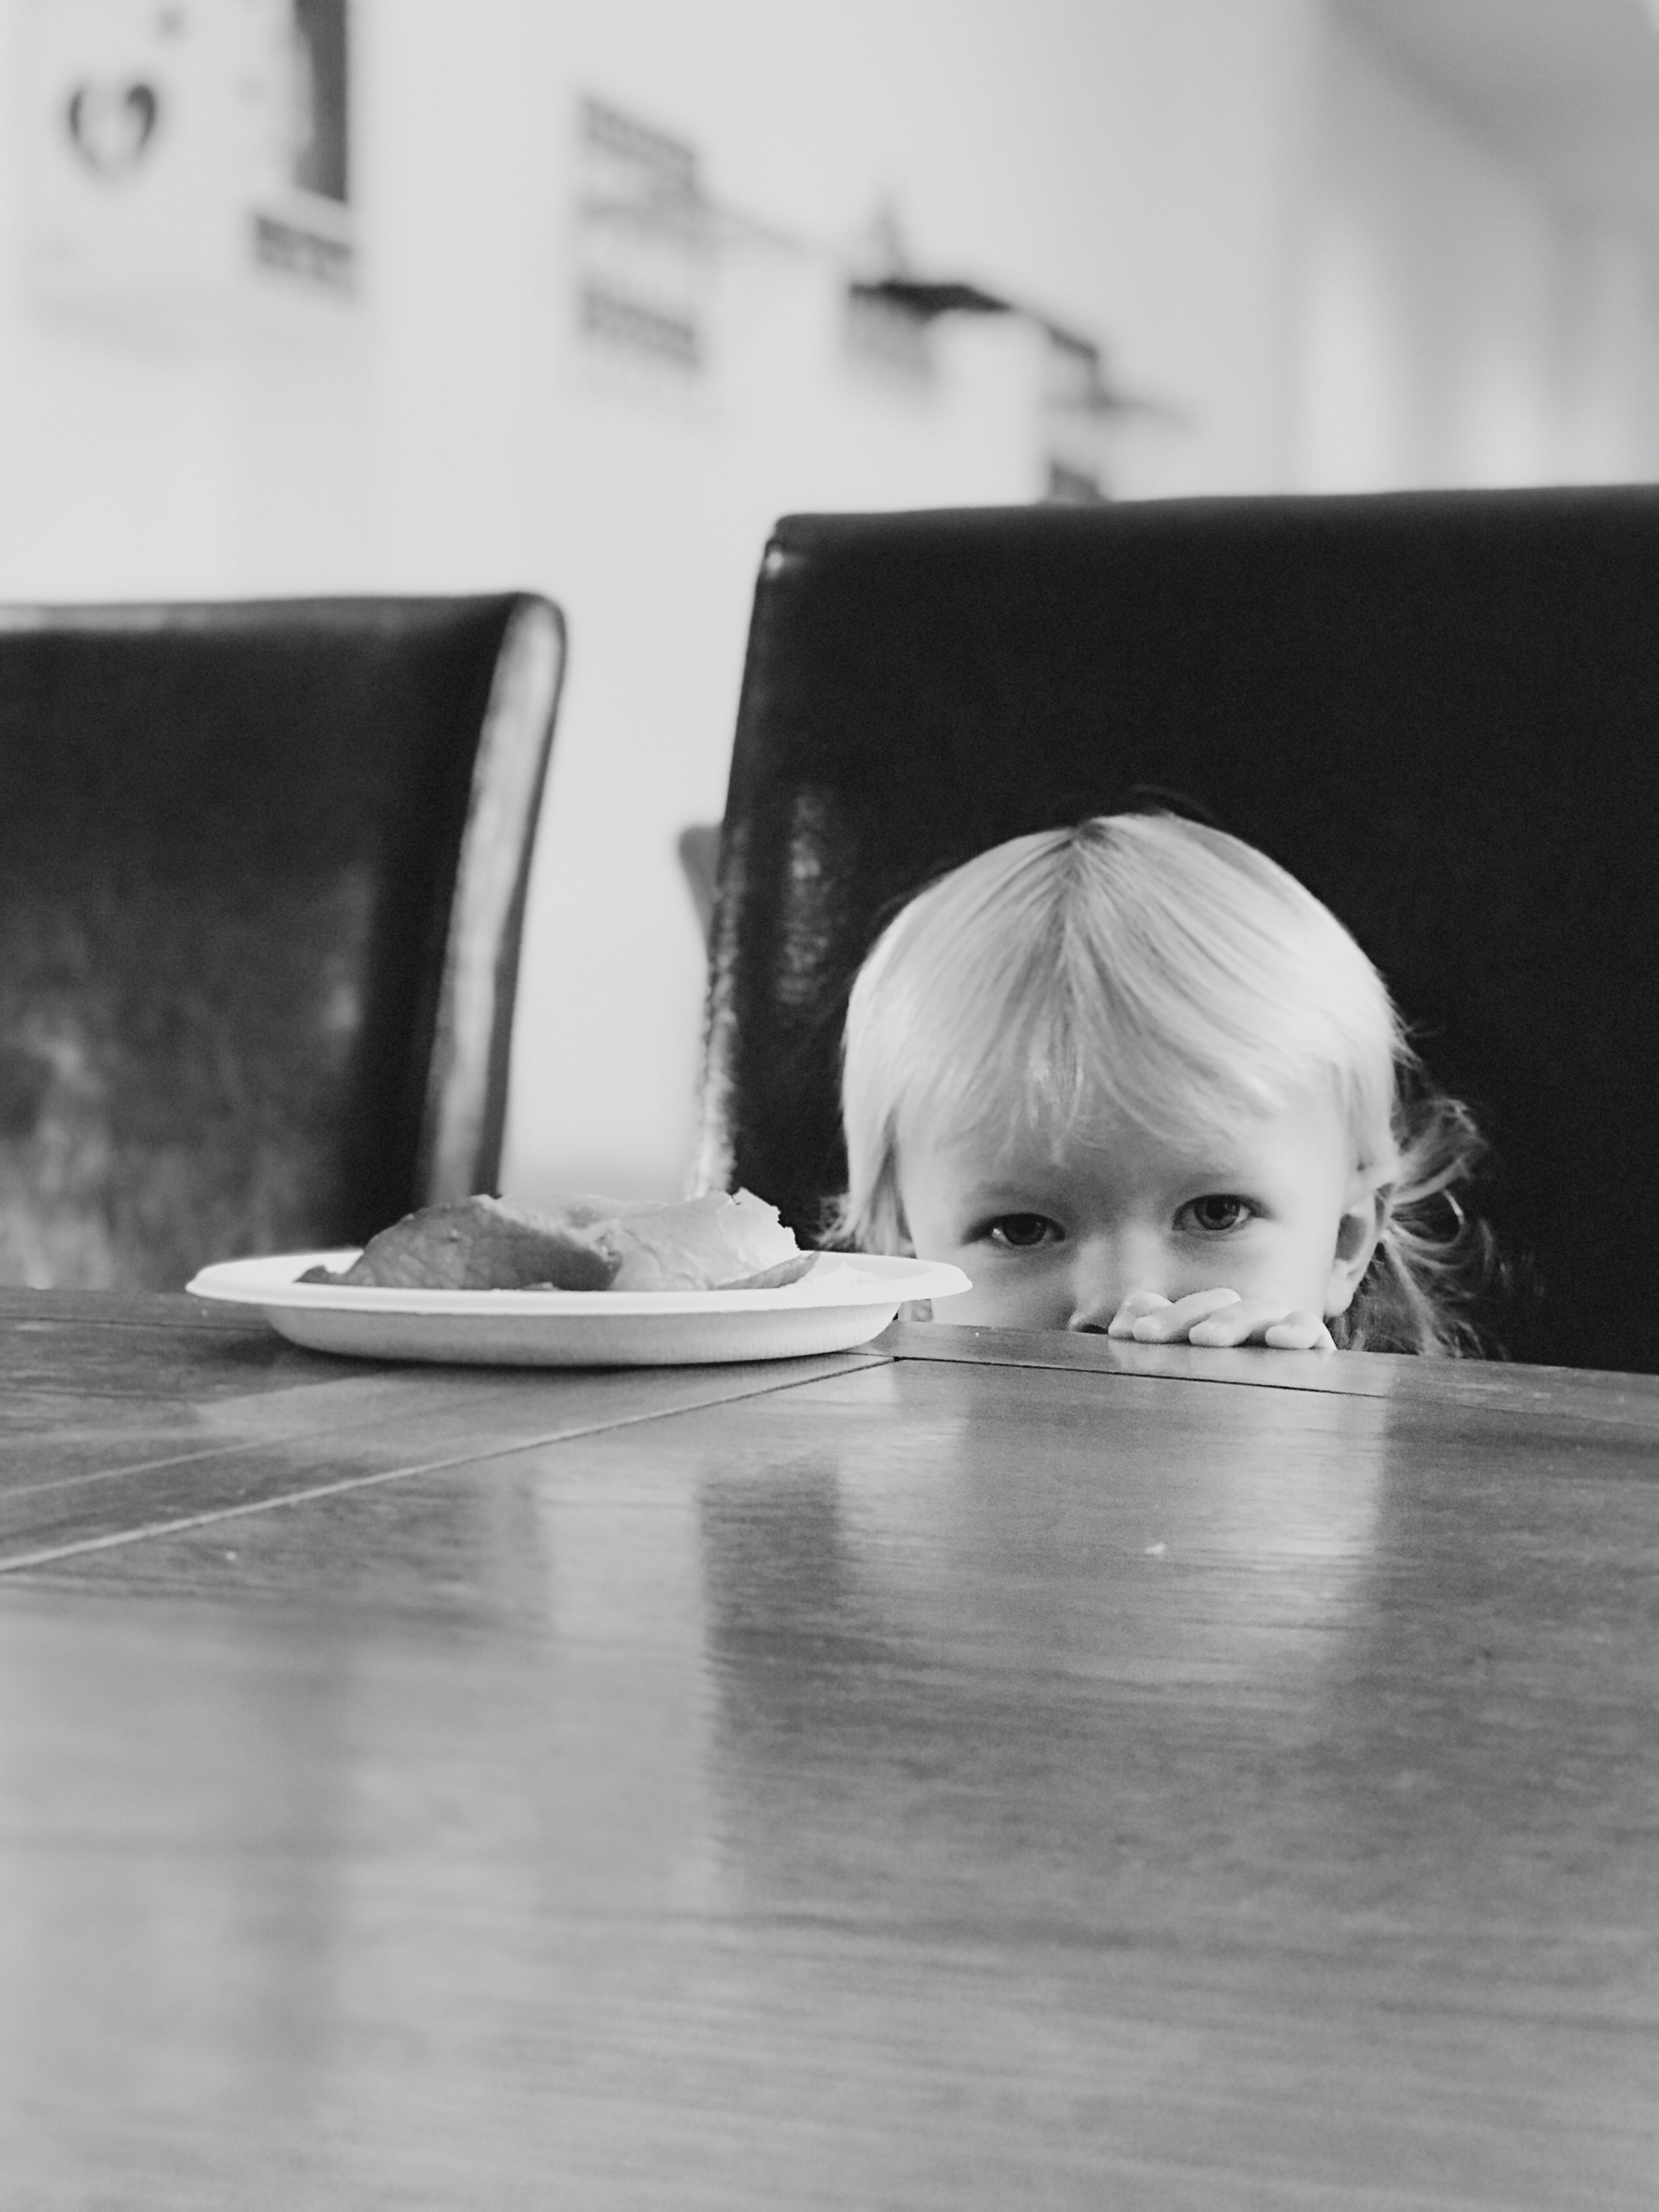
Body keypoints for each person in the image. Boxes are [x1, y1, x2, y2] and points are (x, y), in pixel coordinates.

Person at [832, 813, 1492, 1353]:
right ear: (905, 1268)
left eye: (1216, 1213)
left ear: (1343, 1244)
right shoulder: (887, 1475)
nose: (1124, 1301)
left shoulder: (1386, 1473)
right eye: (1022, 1229)